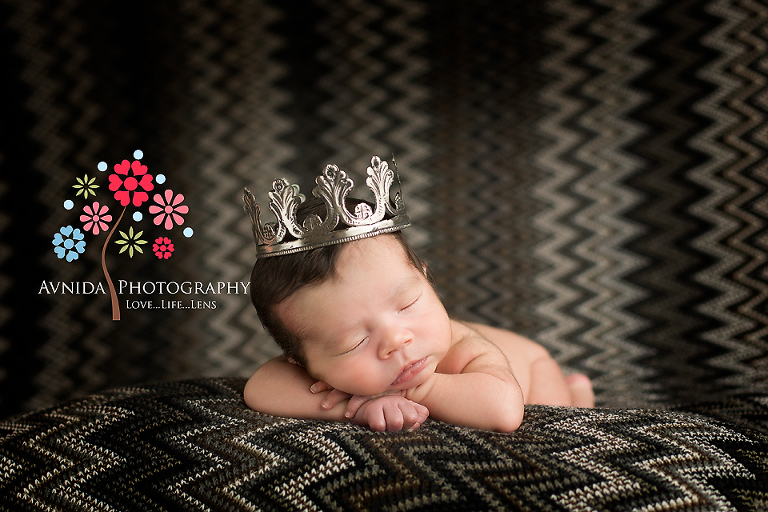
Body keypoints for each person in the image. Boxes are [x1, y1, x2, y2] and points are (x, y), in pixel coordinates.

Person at [243, 158, 594, 432]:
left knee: (556, 413)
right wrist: (359, 407)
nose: (395, 340)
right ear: (302, 363)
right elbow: (258, 389)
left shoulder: (463, 347)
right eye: (353, 342)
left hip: (531, 366)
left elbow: (503, 411)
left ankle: (579, 391)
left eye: (407, 304)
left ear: (425, 278)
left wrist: (402, 391)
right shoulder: (313, 360)